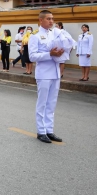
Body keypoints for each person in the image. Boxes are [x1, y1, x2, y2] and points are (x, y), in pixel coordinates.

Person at [29, 10, 64, 144]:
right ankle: (41, 131)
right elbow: (32, 56)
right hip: (43, 74)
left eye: (52, 19)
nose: (51, 21)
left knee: (52, 103)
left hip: (55, 72)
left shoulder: (54, 34)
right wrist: (50, 54)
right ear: (41, 20)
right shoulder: (35, 36)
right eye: (48, 19)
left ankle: (49, 130)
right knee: (42, 103)